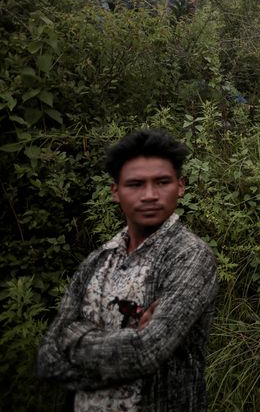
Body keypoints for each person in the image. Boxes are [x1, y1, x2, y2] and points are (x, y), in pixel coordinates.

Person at [38, 129, 218, 410]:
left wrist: (73, 338)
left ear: (180, 186)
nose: (149, 195)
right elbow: (48, 357)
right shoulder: (99, 259)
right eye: (135, 184)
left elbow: (146, 352)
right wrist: (125, 346)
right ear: (115, 192)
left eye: (162, 182)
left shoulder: (189, 256)